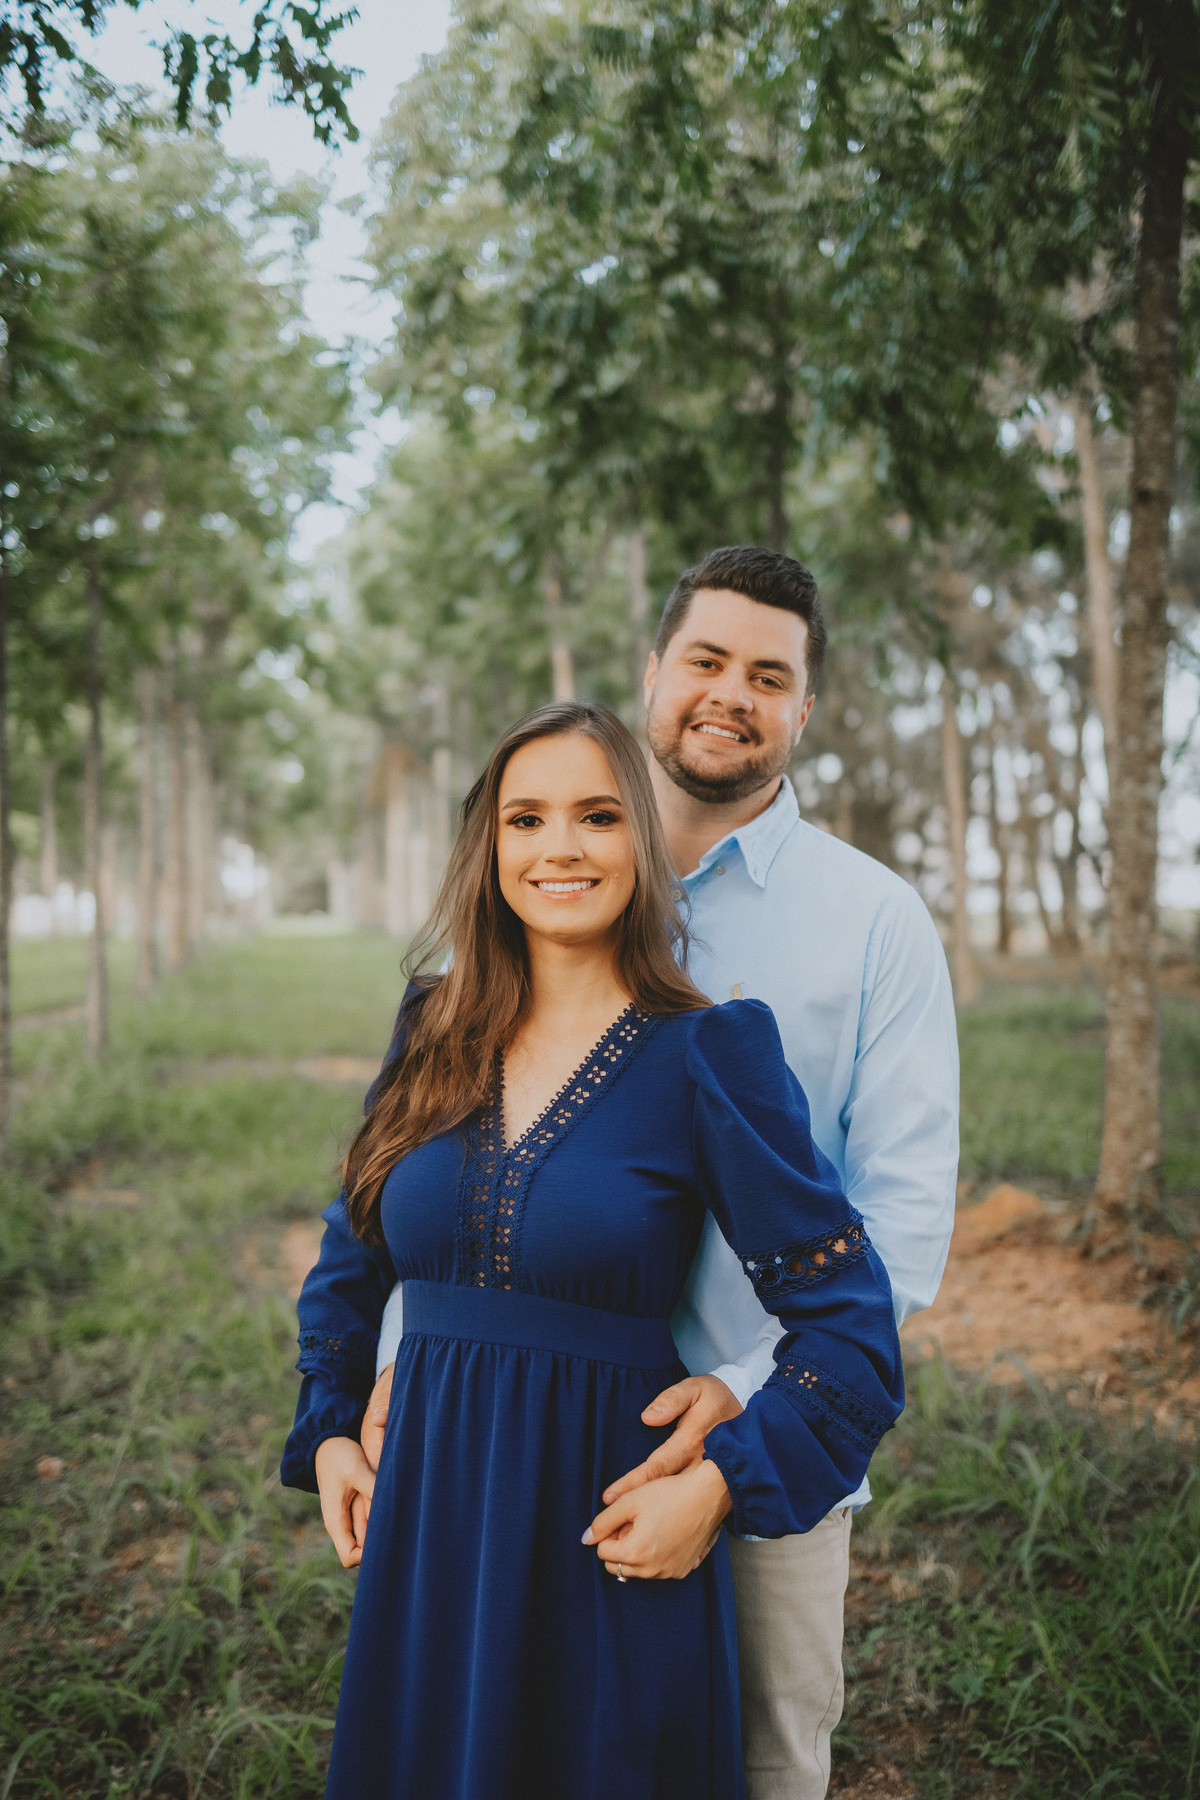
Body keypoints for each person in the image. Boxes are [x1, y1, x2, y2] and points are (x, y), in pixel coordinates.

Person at [365, 547, 959, 1799]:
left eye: (769, 676)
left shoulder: (872, 922)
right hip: (512, 1435)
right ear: (653, 674)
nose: (730, 694)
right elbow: (428, 1176)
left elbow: (900, 1225)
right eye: (706, 660)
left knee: (755, 1759)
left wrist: (743, 1405)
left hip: (757, 1426)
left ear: (806, 708)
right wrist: (397, 1365)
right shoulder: (548, 888)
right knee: (492, 1744)